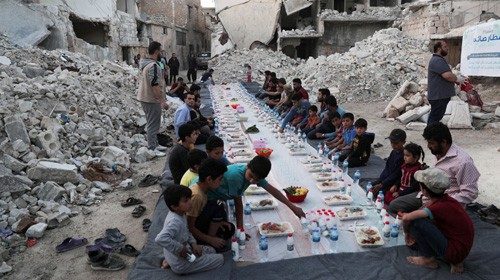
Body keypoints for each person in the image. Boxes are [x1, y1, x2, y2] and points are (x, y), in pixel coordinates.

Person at [388, 122, 480, 214]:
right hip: (426, 196)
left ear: (443, 142)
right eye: (428, 142)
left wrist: (439, 202)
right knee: (394, 206)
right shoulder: (438, 152)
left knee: (415, 222)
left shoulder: (463, 161)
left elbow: (470, 193)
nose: (428, 146)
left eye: (431, 143)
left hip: (445, 204)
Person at [400, 168, 474, 274]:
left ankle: (429, 259)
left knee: (416, 221)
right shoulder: (447, 200)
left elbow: (412, 216)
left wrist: (406, 224)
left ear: (424, 190)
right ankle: (455, 260)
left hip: (455, 251)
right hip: (461, 249)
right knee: (423, 221)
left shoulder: (438, 207)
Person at [207, 156, 306, 231]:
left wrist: (293, 207)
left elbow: (274, 191)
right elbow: (238, 204)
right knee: (226, 230)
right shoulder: (236, 177)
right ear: (248, 165)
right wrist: (240, 229)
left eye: (256, 179)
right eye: (250, 176)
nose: (251, 181)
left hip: (219, 196)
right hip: (207, 197)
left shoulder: (255, 174)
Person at [155, 185, 224, 275]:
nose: (190, 202)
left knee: (212, 250)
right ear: (175, 207)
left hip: (183, 251)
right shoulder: (174, 222)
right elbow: (160, 239)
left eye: (189, 198)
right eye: (186, 201)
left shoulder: (181, 213)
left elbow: (186, 230)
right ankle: (172, 263)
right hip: (181, 264)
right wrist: (180, 249)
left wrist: (193, 243)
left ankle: (169, 260)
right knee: (220, 259)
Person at [187, 159, 234, 251]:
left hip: (201, 223)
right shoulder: (197, 196)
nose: (221, 183)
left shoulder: (204, 190)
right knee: (217, 206)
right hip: (193, 233)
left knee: (229, 228)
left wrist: (218, 222)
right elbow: (190, 227)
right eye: (220, 179)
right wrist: (210, 240)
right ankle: (207, 244)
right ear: (209, 179)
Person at [136, 41, 168, 157]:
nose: (161, 54)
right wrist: (162, 101)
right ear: (156, 52)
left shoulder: (146, 64)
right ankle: (152, 148)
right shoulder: (153, 66)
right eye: (160, 51)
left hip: (146, 98)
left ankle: (155, 143)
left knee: (154, 122)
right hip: (150, 99)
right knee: (152, 124)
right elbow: (154, 85)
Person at [427, 41, 464, 124]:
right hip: (439, 96)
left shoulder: (438, 59)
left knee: (435, 117)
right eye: (445, 46)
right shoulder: (437, 60)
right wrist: (457, 79)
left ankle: (431, 135)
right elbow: (448, 76)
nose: (447, 48)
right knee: (435, 118)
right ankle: (430, 135)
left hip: (439, 96)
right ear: (439, 49)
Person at [370, 129, 406, 197]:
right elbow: (387, 167)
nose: (393, 145)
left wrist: (382, 184)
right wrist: (380, 181)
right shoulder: (393, 152)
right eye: (391, 142)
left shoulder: (404, 156)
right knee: (370, 187)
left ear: (403, 142)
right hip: (386, 179)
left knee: (380, 194)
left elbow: (397, 174)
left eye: (396, 143)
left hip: (394, 182)